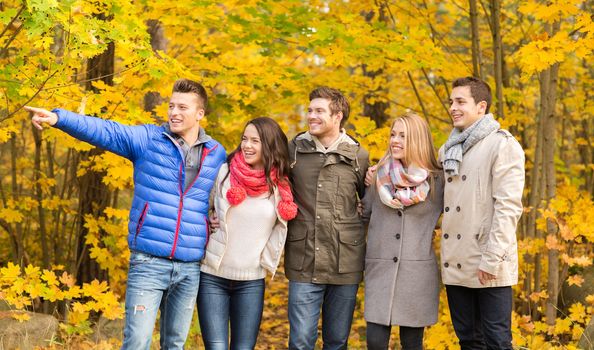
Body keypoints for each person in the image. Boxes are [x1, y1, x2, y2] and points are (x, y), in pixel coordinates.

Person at [26, 78, 227, 350]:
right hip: (148, 263)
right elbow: (104, 130)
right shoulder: (147, 139)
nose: (174, 112)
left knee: (175, 344)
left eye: (182, 107)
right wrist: (59, 118)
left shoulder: (216, 153)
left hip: (189, 266)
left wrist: (214, 216)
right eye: (171, 106)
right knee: (136, 343)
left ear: (200, 114)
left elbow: (226, 193)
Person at [440, 77, 525, 349]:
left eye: (460, 102)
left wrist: (491, 258)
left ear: (481, 106)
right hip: (457, 259)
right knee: (468, 340)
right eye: (451, 102)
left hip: (488, 260)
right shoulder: (449, 148)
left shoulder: (502, 144)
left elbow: (508, 207)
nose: (453, 107)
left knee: (497, 341)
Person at [198, 117, 297, 349]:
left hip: (251, 281)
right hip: (213, 276)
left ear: (270, 145)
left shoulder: (280, 187)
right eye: (244, 139)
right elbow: (202, 208)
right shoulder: (224, 173)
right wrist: (208, 222)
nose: (247, 145)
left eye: (255, 140)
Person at [285, 87, 369, 350]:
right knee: (300, 342)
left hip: (345, 262)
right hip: (303, 260)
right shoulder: (293, 151)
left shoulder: (358, 156)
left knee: (337, 342)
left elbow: (370, 206)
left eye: (319, 111)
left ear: (337, 116)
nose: (311, 116)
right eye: (310, 110)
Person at [362, 112, 444, 350]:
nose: (395, 140)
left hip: (416, 275)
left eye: (403, 136)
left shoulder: (438, 181)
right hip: (380, 272)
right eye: (393, 134)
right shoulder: (377, 176)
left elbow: (451, 217)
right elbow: (363, 215)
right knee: (375, 342)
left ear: (417, 139)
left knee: (412, 344)